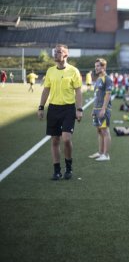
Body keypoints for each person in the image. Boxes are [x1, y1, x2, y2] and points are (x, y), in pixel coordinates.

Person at [37, 44, 83, 180]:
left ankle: (69, 167)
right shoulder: (50, 71)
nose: (56, 54)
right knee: (55, 140)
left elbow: (78, 91)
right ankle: (57, 171)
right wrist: (41, 107)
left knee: (66, 139)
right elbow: (46, 90)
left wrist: (79, 109)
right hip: (53, 108)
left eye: (59, 52)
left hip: (68, 108)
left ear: (65, 55)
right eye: (55, 52)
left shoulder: (74, 71)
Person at [88, 58, 112, 162]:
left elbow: (107, 95)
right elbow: (96, 96)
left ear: (104, 67)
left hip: (103, 109)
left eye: (98, 66)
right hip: (96, 109)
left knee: (105, 131)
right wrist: (94, 109)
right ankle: (100, 152)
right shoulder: (98, 79)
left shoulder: (107, 79)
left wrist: (103, 109)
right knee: (99, 131)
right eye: (95, 66)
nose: (96, 68)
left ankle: (106, 155)